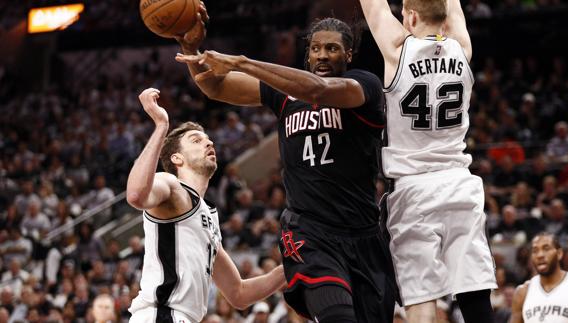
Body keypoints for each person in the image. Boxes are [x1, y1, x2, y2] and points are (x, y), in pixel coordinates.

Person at [175, 13, 398, 322]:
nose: (322, 55)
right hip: (310, 234)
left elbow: (318, 89)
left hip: (363, 234)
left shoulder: (365, 85)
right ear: (307, 53)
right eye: (316, 48)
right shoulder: (286, 92)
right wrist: (186, 42)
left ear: (348, 54)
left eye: (332, 49)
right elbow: (214, 87)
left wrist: (242, 62)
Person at [359, 0, 496, 322]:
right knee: (474, 288)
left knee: (423, 297)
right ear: (445, 17)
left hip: (413, 188)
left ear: (411, 16)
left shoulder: (397, 49)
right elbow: (453, 11)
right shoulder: (462, 48)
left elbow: (374, 7)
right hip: (459, 181)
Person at [126, 88, 286, 323]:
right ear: (177, 158)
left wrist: (292, 267)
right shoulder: (171, 185)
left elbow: (239, 293)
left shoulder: (208, 217)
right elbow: (136, 195)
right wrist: (161, 126)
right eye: (196, 140)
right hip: (161, 314)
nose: (208, 143)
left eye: (208, 140)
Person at [510, 233, 568, 323]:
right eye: (535, 251)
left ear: (559, 254)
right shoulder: (522, 292)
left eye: (546, 249)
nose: (540, 255)